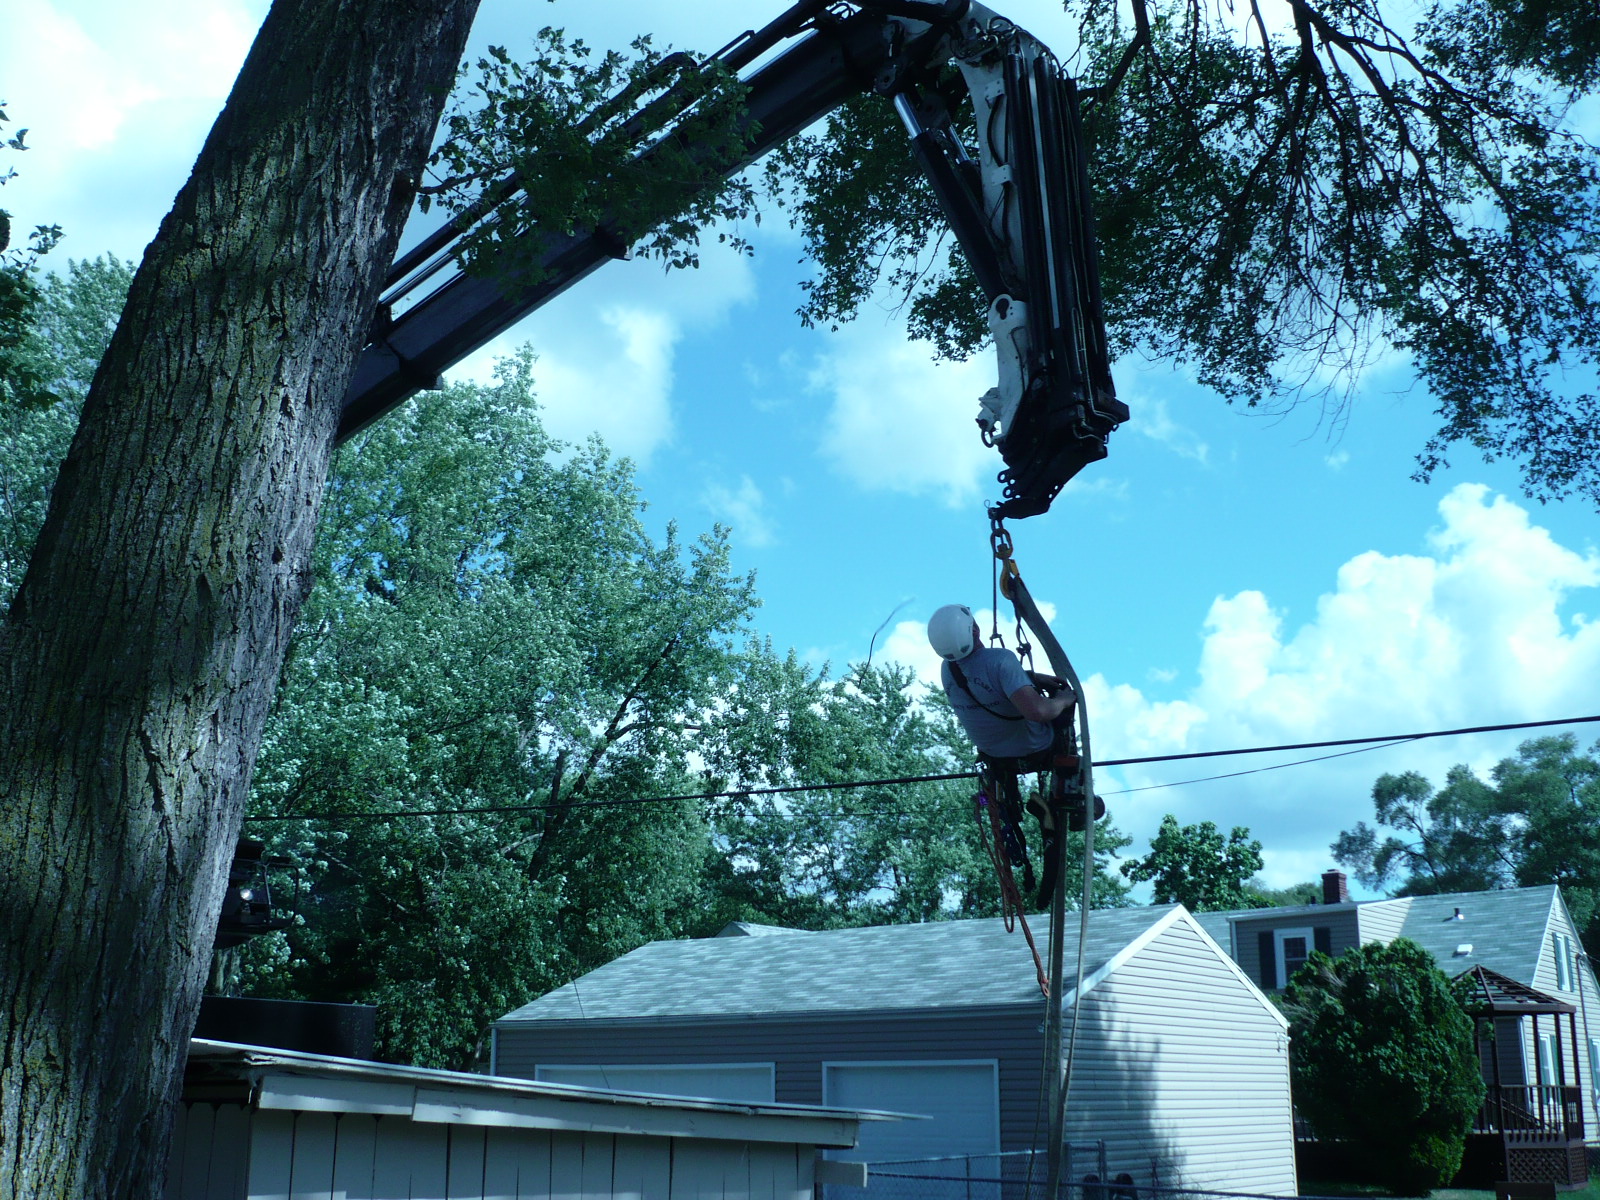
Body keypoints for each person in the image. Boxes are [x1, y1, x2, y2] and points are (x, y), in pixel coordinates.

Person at [927, 603, 1103, 833]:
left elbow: (985, 684)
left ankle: (1011, 801)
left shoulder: (948, 670)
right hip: (1036, 748)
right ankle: (1073, 797)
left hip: (996, 757)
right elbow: (1037, 712)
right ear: (975, 630)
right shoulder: (1001, 660)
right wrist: (1063, 700)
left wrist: (1029, 677)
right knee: (1060, 713)